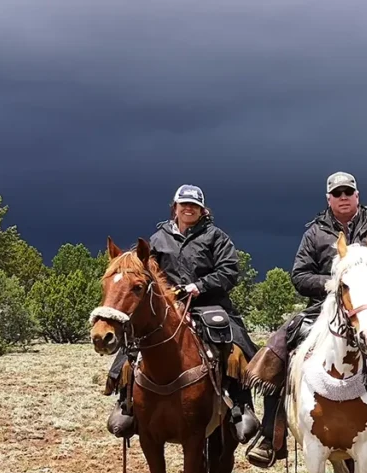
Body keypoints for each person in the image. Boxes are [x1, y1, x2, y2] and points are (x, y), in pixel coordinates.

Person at [244, 171, 367, 473]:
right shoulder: (315, 232)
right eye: (337, 193)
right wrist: (335, 284)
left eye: (349, 192)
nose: (343, 197)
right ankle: (270, 434)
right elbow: (299, 274)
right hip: (326, 306)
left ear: (357, 196)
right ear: (329, 199)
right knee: (285, 342)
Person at [105, 184, 260, 443]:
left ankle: (240, 406)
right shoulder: (158, 239)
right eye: (184, 204)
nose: (189, 209)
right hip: (168, 304)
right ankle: (125, 402)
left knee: (235, 343)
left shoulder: (216, 237)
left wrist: (199, 286)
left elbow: (229, 271)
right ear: (175, 207)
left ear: (202, 209)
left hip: (209, 303)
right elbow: (144, 270)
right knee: (135, 338)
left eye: (194, 205)